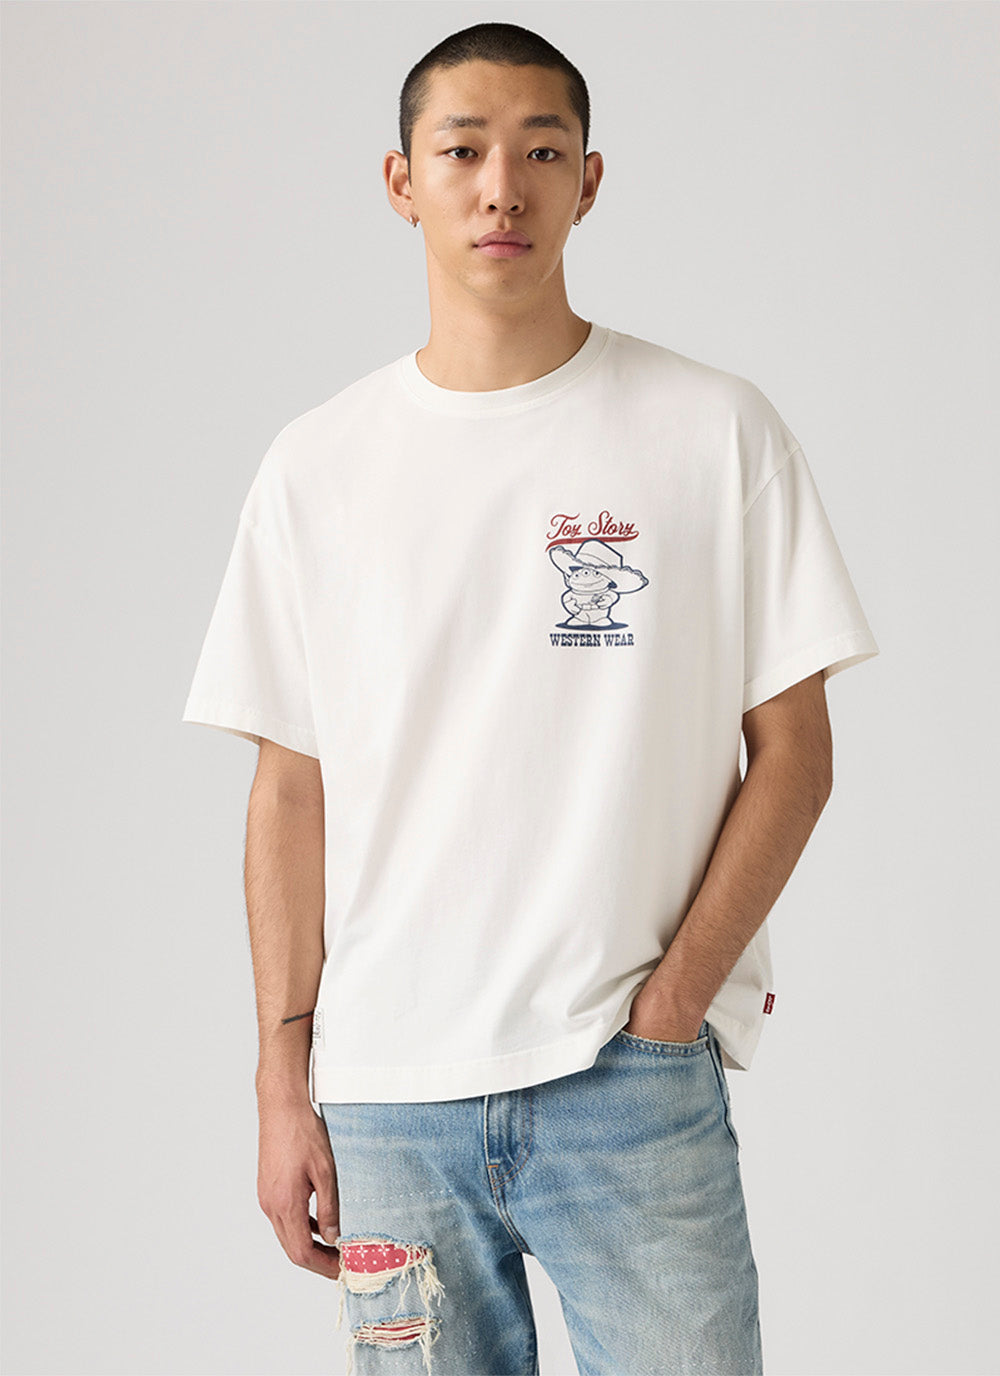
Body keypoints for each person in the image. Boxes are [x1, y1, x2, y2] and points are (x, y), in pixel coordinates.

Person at [182, 21, 879, 1376]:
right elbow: (290, 790)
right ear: (402, 182)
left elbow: (794, 753)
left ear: (588, 181)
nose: (501, 187)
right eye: (462, 151)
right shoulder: (317, 467)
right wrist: (282, 1078)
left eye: (540, 152)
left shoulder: (711, 429)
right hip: (387, 1099)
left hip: (625, 1079)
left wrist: (670, 1007)